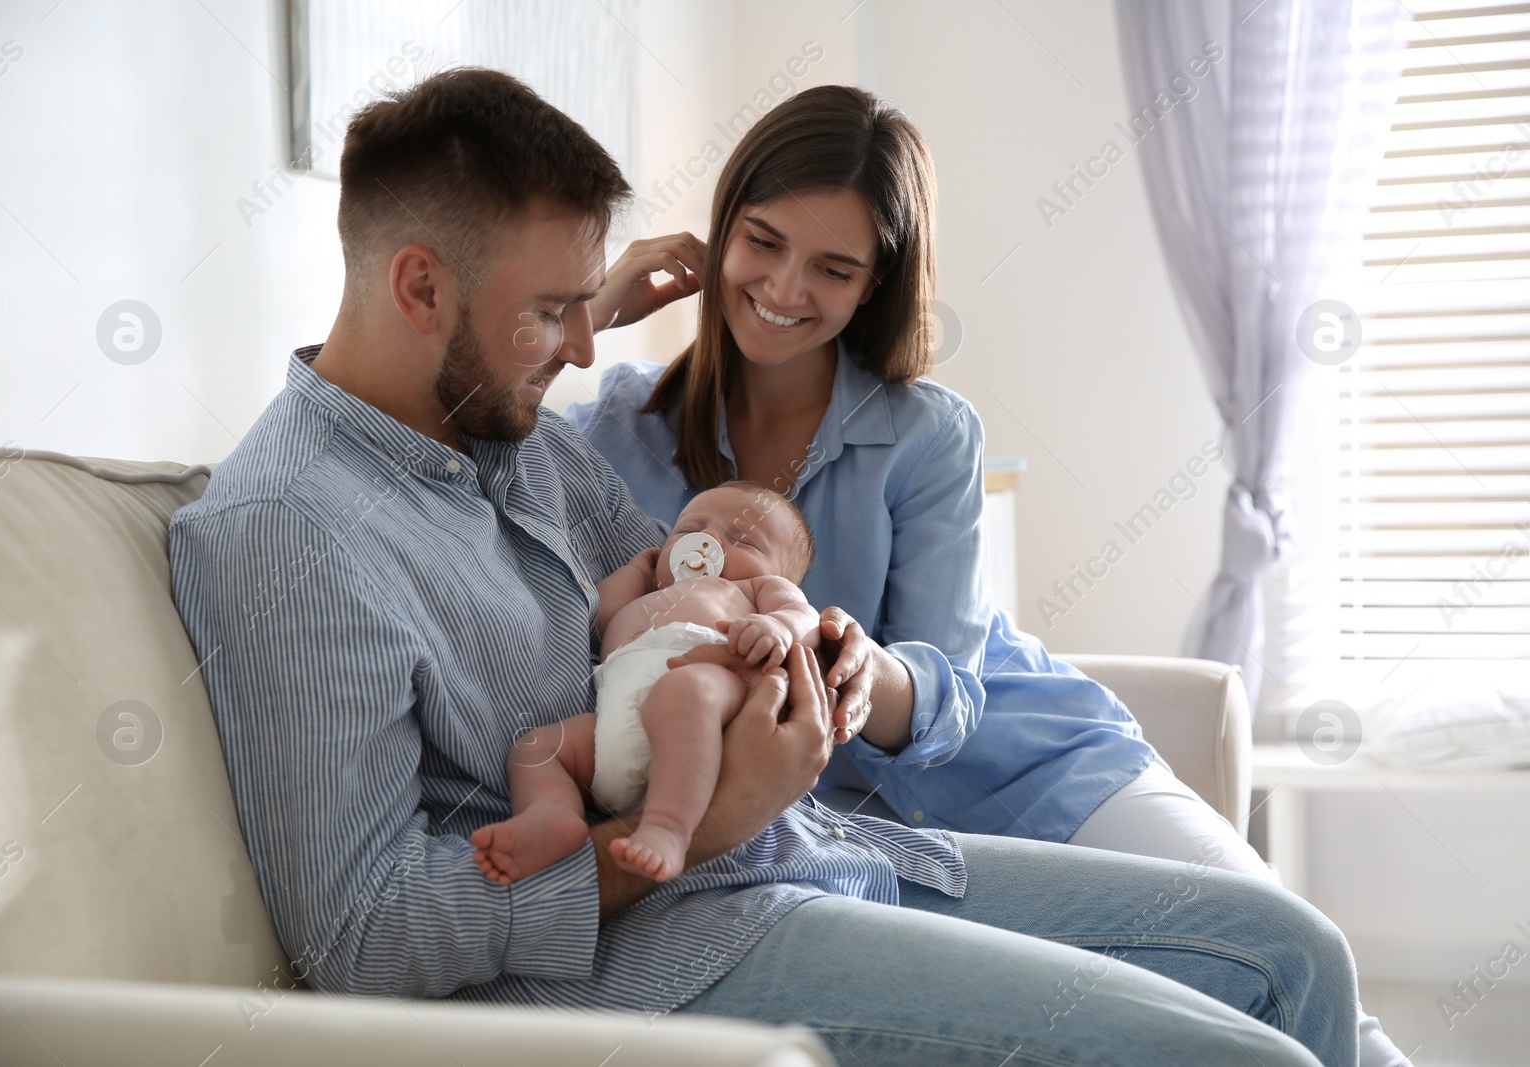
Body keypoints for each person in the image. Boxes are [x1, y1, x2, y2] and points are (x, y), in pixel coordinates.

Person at [169, 68, 1361, 1066]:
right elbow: (365, 933)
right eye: (553, 310)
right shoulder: (286, 530)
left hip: (794, 852)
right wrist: (724, 806)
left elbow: (685, 584)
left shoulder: (504, 436)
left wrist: (796, 652)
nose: (589, 346)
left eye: (590, 305)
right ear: (420, 286)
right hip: (648, 954)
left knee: (1294, 950)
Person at [570, 83, 1408, 1066]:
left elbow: (952, 679)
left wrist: (853, 672)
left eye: (833, 267)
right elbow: (447, 455)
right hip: (831, 823)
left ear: (875, 283)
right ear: (719, 232)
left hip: (1027, 758)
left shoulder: (926, 434)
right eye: (762, 242)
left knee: (1299, 967)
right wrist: (586, 311)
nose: (787, 288)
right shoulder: (615, 429)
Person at [472, 481, 819, 885]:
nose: (708, 542)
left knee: (682, 692)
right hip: (614, 732)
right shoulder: (647, 595)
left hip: (706, 710)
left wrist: (775, 626)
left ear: (781, 573)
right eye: (688, 532)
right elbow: (599, 613)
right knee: (537, 747)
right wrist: (640, 569)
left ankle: (667, 828)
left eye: (741, 540)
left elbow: (805, 617)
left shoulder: (752, 590)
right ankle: (552, 815)